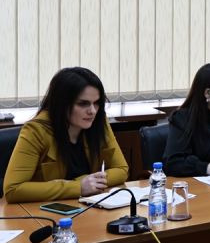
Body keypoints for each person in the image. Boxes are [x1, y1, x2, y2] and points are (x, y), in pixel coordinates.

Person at [3, 67, 128, 203]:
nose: (92, 111)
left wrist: (86, 183)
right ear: (62, 104)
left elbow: (121, 170)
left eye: (96, 103)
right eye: (83, 104)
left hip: (85, 205)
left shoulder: (98, 121)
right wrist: (78, 187)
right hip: (42, 210)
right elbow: (13, 189)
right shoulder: (36, 131)